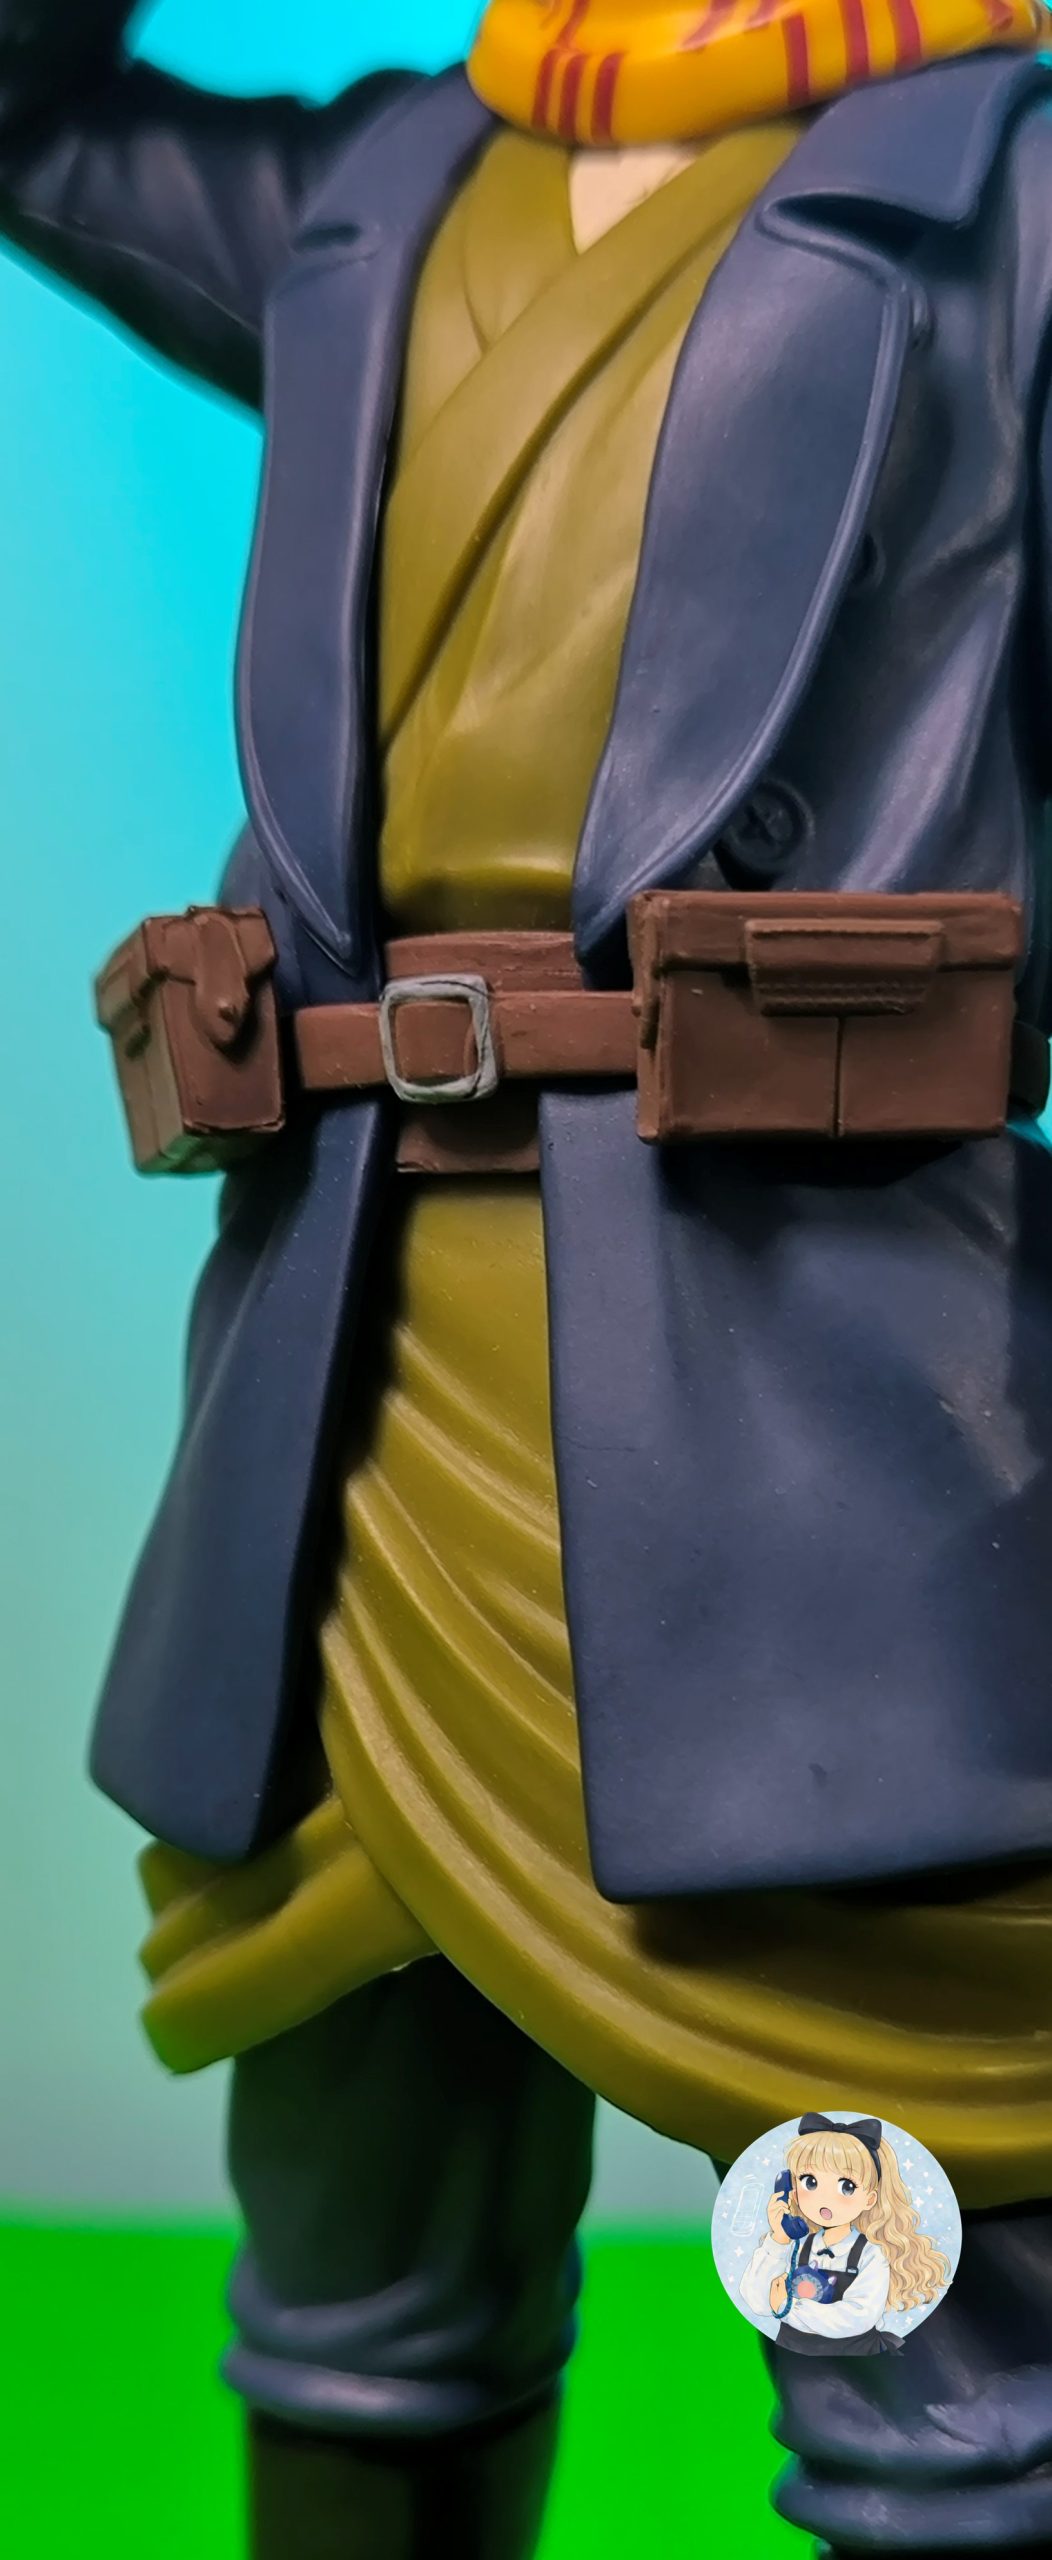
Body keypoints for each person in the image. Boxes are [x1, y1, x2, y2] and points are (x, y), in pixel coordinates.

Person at [5, 3, 1052, 2553]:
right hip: (350, 1406)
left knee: (908, 2317)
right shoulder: (389, 183)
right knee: (360, 2270)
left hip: (807, 1420)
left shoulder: (1003, 190)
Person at [739, 2115, 950, 2356]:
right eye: (810, 2182)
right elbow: (758, 2301)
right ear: (793, 2190)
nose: (825, 2198)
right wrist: (779, 2239)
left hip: (856, 2354)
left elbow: (858, 2316)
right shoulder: (796, 2246)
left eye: (846, 2186)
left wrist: (790, 2308)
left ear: (870, 2199)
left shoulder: (870, 2254)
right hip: (794, 2349)